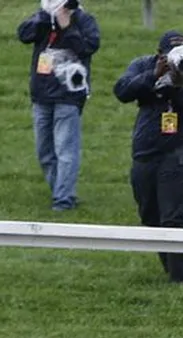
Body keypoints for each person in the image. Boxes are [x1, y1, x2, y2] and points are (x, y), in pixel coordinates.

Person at [113, 31, 183, 284]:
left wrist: (179, 89)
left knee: (173, 217)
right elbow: (122, 91)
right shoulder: (143, 66)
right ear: (159, 54)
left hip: (182, 152)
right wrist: (154, 76)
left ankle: (178, 280)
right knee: (150, 216)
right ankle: (169, 267)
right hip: (146, 152)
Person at [17, 0, 100, 212]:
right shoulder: (43, 17)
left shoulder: (84, 20)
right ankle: (61, 192)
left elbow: (88, 47)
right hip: (41, 94)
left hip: (69, 95)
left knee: (65, 149)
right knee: (44, 151)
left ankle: (63, 200)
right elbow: (24, 35)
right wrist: (46, 16)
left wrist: (67, 27)